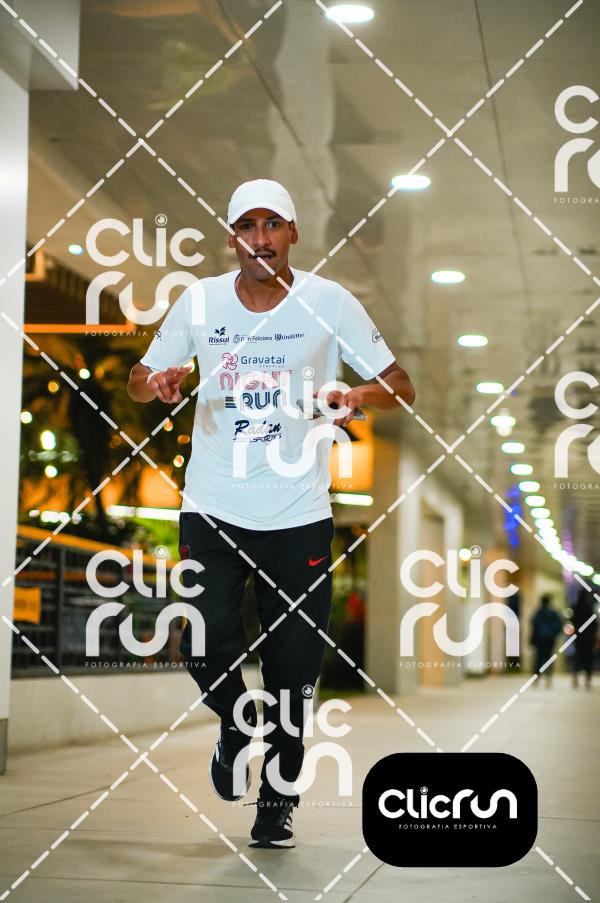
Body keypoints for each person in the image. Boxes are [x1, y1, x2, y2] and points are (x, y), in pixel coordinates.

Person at [127, 179, 415, 848]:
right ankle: (235, 724)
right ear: (232, 237)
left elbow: (401, 386)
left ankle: (277, 804)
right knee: (203, 643)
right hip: (213, 506)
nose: (260, 238)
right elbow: (139, 378)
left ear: (292, 233)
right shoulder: (201, 302)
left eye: (273, 225)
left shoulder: (329, 302)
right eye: (247, 226)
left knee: (293, 673)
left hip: (298, 514)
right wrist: (158, 381)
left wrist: (356, 393)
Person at [530, 594, 563, 687]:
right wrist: (554, 633)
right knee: (549, 658)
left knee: (538, 658)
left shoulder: (538, 612)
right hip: (550, 639)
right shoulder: (553, 612)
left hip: (540, 639)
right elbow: (559, 625)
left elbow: (534, 624)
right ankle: (548, 678)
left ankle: (536, 678)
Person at [571, 588, 598, 690]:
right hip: (589, 637)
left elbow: (572, 621)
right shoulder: (589, 607)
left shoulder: (576, 608)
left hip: (578, 636)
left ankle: (575, 676)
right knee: (588, 658)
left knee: (578, 657)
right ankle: (588, 679)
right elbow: (594, 623)